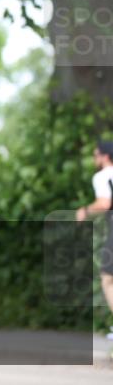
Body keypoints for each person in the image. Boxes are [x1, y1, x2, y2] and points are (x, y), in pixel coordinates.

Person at [76, 140, 113, 340]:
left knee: (108, 278)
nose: (94, 159)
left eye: (96, 155)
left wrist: (85, 211)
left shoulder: (102, 176)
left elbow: (105, 203)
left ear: (105, 156)